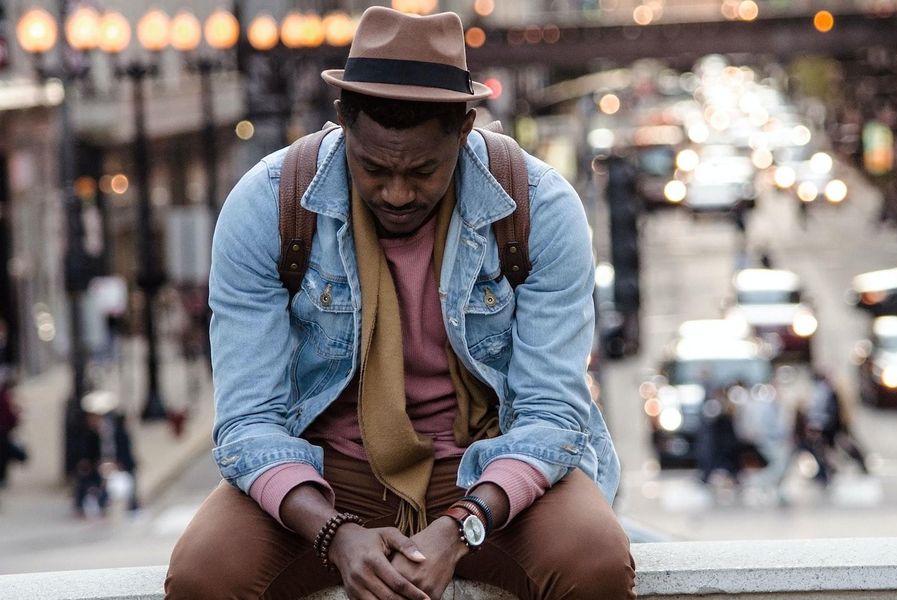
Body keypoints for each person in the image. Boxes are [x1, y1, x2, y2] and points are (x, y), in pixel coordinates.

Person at [166, 9, 632, 600]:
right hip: (326, 472)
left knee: (594, 562)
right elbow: (247, 421)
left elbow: (550, 413)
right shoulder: (267, 205)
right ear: (343, 122)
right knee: (202, 574)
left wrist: (463, 525)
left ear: (465, 130)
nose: (397, 193)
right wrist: (335, 533)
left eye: (422, 171)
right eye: (374, 168)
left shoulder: (539, 207)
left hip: (489, 462)